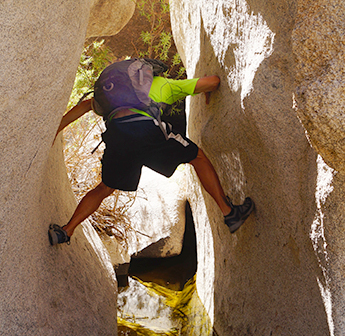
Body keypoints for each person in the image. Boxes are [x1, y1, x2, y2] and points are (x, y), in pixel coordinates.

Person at [48, 60, 254, 245]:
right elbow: (214, 82)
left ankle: (66, 231)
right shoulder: (163, 84)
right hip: (145, 130)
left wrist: (54, 131)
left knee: (104, 188)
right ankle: (230, 213)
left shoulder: (113, 94)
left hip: (118, 134)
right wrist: (205, 89)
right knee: (197, 157)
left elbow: (85, 106)